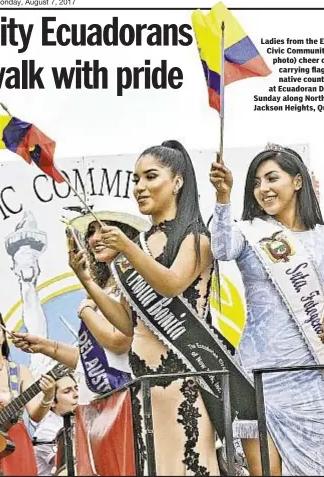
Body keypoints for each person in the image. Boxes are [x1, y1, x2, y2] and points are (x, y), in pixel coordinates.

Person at [209, 144, 324, 475]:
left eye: (272, 178)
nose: (263, 188)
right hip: (258, 372)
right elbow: (220, 249)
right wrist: (223, 198)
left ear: (297, 181)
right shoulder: (249, 233)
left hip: (310, 373)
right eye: (257, 182)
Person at [96, 140, 234, 475]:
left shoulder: (195, 237)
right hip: (145, 382)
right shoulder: (141, 245)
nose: (139, 187)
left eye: (150, 177)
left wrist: (127, 247)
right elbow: (128, 326)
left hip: (185, 375)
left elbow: (171, 284)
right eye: (135, 179)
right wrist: (87, 281)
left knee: (191, 464)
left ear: (177, 181)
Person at [13, 197, 150, 404]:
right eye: (91, 232)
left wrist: (85, 308)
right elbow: (92, 361)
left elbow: (119, 342)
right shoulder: (104, 285)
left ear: (126, 233)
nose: (94, 239)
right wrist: (44, 346)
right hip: (99, 400)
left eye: (103, 230)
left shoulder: (136, 277)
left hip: (128, 399)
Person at [0, 309, 55, 476]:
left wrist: (48, 397)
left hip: (13, 445)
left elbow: (35, 415)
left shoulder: (20, 372)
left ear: (4, 335)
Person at [32, 373, 79, 476]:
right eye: (67, 391)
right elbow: (70, 466)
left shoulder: (81, 420)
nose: (76, 394)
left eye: (76, 388)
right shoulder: (46, 431)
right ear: (52, 402)